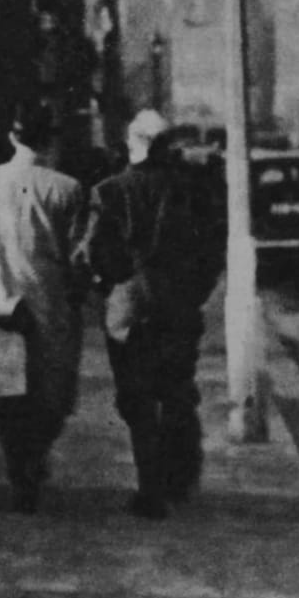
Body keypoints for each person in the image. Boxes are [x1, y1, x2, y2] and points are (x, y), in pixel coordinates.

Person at [81, 107, 227, 519]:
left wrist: (111, 288)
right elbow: (212, 250)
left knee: (136, 398)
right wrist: (196, 293)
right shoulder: (192, 190)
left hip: (128, 309)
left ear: (133, 144)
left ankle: (150, 489)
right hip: (178, 302)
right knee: (176, 389)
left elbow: (92, 254)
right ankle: (178, 478)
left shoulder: (109, 191)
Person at [0, 102, 87, 513]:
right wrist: (76, 295)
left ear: (13, 136)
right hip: (49, 307)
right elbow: (79, 256)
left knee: (5, 399)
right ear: (50, 140)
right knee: (50, 396)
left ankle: (19, 467)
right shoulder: (67, 189)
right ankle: (33, 458)